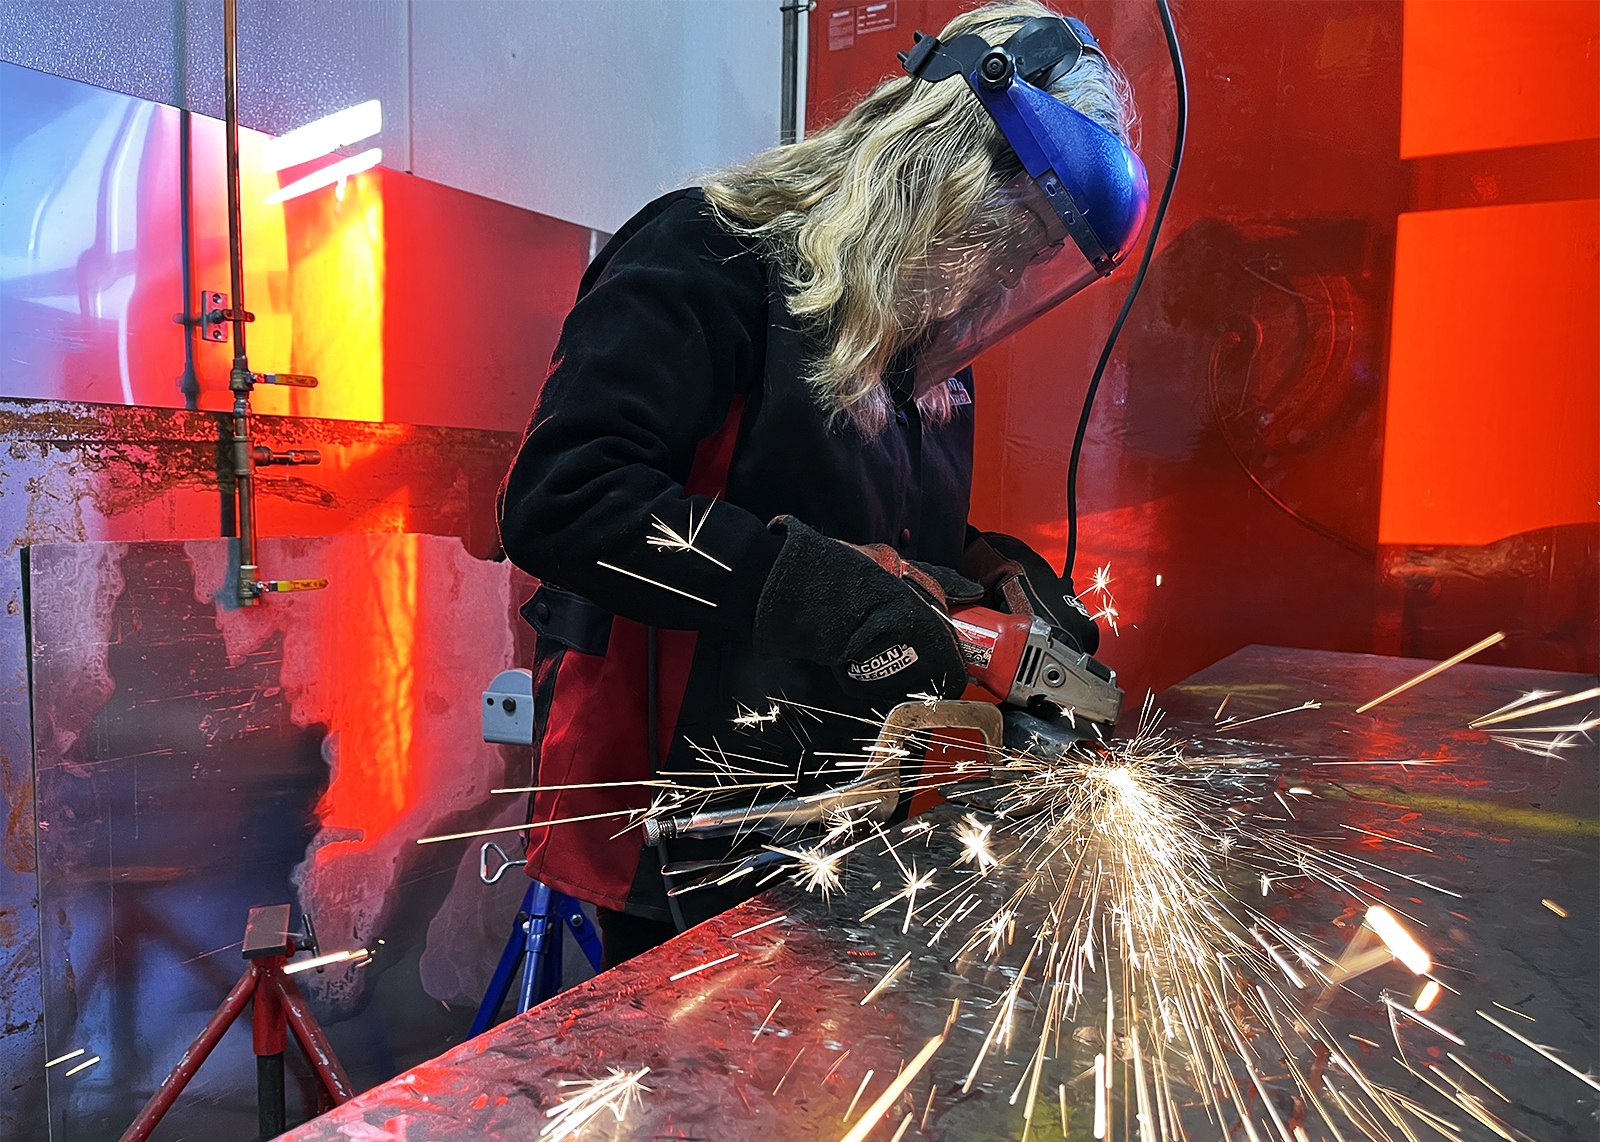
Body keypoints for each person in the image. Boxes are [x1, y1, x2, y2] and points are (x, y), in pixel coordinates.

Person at [498, 0, 1149, 968]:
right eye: (1017, 237)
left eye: (1037, 256)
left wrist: (992, 572)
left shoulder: (923, 339)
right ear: (949, 169)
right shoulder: (708, 251)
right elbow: (565, 498)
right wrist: (809, 587)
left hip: (843, 803)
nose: (1009, 277)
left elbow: (873, 525)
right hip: (684, 799)